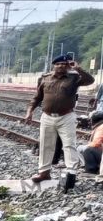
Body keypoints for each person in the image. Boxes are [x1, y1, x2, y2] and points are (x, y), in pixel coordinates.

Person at [24, 55, 95, 189]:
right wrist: (30, 111)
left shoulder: (74, 78)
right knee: (46, 145)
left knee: (69, 145)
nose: (61, 66)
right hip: (47, 116)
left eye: (64, 64)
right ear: (53, 65)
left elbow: (90, 80)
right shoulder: (45, 78)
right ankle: (44, 172)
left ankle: (71, 173)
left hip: (66, 116)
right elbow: (37, 97)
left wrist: (78, 68)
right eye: (58, 64)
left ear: (68, 66)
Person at [83, 110, 103, 179]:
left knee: (88, 150)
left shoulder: (101, 127)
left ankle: (91, 171)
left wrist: (87, 146)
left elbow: (96, 143)